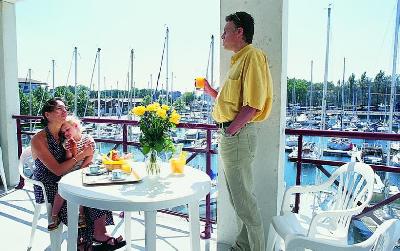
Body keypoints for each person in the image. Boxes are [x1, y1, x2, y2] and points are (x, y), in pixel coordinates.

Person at [202, 11, 273, 251]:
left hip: (237, 136)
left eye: (226, 30)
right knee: (237, 198)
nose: (222, 35)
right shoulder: (238, 60)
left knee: (244, 202)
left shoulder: (252, 56)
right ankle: (243, 246)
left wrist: (230, 132)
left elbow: (253, 105)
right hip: (232, 135)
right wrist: (212, 91)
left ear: (239, 32)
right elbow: (233, 101)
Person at [31, 98, 126, 250]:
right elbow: (57, 170)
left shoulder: (65, 134)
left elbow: (82, 147)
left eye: (65, 108)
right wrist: (83, 155)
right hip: (48, 183)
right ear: (48, 115)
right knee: (74, 197)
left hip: (69, 176)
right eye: (59, 109)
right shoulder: (39, 139)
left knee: (94, 191)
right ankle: (82, 243)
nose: (65, 111)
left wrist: (88, 153)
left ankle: (100, 233)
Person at [47, 115, 95, 231]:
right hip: (70, 171)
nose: (66, 134)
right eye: (63, 132)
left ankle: (81, 214)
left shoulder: (88, 139)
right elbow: (69, 160)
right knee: (60, 192)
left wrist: (81, 170)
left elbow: (90, 157)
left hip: (84, 169)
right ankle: (54, 216)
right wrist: (70, 150)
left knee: (81, 192)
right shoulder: (67, 143)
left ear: (76, 126)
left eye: (67, 130)